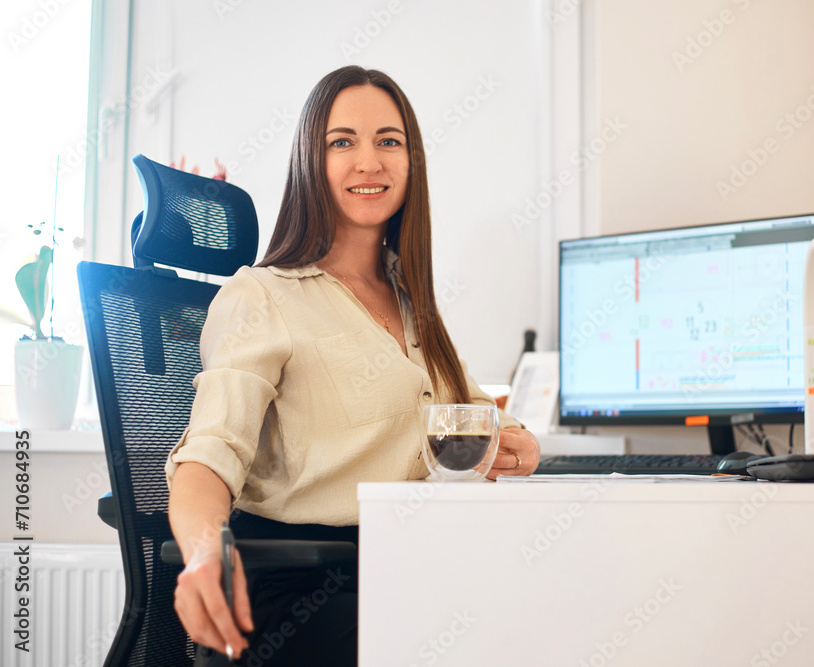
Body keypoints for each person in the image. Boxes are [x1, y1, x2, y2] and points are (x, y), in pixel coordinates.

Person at [165, 66, 540, 665]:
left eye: (388, 141)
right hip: (314, 591)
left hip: (413, 570)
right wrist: (208, 553)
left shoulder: (413, 305)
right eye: (342, 142)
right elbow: (208, 454)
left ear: (411, 162)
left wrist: (516, 443)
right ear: (311, 162)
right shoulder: (261, 297)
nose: (369, 161)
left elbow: (480, 417)